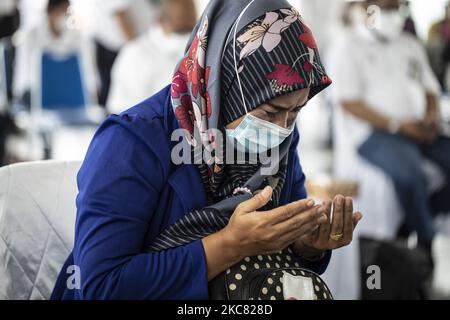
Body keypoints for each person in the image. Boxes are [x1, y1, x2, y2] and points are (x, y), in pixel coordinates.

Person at [51, 0, 362, 300]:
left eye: (294, 113)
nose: (281, 128)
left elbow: (280, 261)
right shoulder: (132, 142)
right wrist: (230, 245)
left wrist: (307, 245)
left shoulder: (278, 142)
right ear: (224, 85)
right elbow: (103, 286)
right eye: (270, 113)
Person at [330, 0, 450, 265]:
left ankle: (418, 217)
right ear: (364, 8)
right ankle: (425, 240)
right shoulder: (348, 47)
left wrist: (431, 116)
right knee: (410, 174)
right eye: (384, 8)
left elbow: (430, 87)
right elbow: (349, 102)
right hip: (374, 134)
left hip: (416, 128)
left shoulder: (409, 45)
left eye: (397, 8)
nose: (391, 15)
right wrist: (398, 125)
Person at [107, 0, 196, 114]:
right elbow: (121, 111)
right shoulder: (135, 54)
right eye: (181, 32)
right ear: (160, 19)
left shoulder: (202, 48)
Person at [13, 0, 97, 108]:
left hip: (72, 97)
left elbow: (88, 71)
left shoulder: (78, 36)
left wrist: (91, 91)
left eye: (67, 12)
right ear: (50, 12)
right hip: (36, 98)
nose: (64, 16)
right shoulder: (31, 36)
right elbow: (23, 72)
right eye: (60, 11)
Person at [93, 0, 157, 107]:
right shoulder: (134, 51)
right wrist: (139, 51)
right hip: (117, 49)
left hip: (135, 45)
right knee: (119, 100)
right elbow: (120, 15)